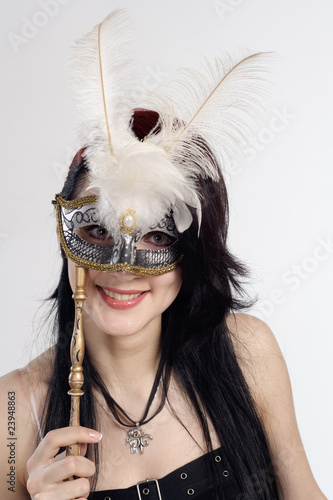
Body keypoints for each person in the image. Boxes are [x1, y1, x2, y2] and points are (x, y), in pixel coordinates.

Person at [0, 10, 326, 500]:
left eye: (157, 237)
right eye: (96, 230)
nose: (122, 267)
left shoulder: (248, 351)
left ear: (193, 250)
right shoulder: (11, 410)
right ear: (61, 229)